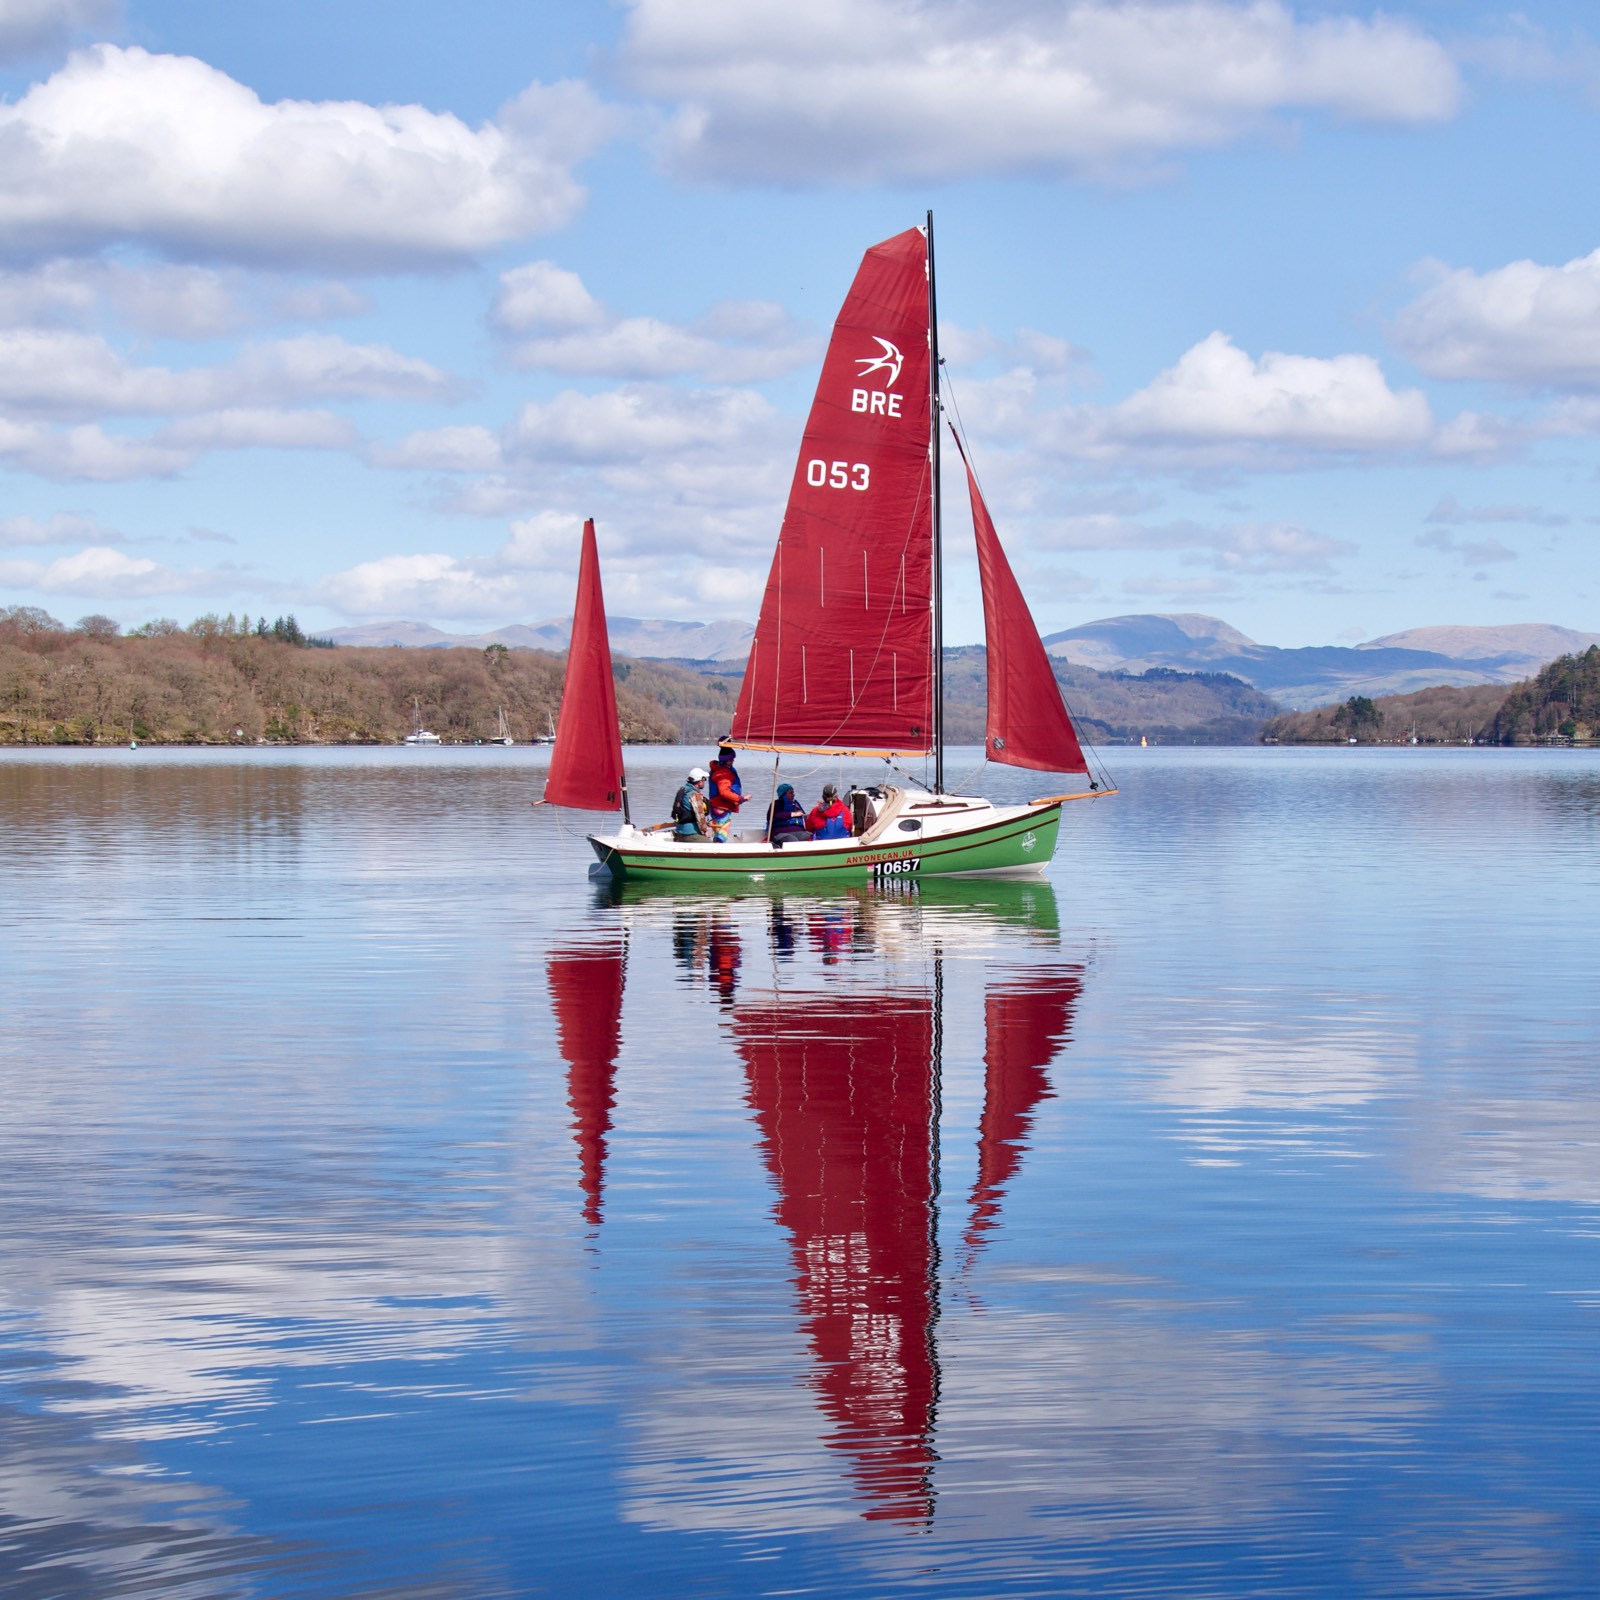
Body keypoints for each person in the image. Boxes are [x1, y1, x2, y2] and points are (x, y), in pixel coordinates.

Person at [705, 740, 745, 842]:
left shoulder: (718, 769)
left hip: (718, 806)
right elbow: (724, 792)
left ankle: (717, 849)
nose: (733, 761)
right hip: (721, 807)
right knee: (721, 834)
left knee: (719, 832)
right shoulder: (723, 773)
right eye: (731, 760)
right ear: (727, 760)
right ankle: (717, 853)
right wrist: (740, 799)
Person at [671, 767, 712, 839]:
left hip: (680, 831)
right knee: (711, 846)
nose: (705, 781)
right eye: (704, 779)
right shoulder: (695, 795)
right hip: (690, 833)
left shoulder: (683, 790)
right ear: (699, 781)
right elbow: (700, 816)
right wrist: (705, 831)